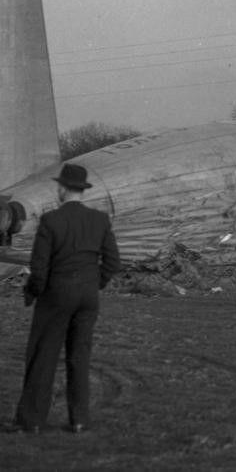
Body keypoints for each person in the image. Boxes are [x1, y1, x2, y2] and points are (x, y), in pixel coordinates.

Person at [7, 163, 121, 434]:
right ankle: (79, 419)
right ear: (82, 190)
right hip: (88, 296)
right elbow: (113, 261)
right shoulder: (100, 219)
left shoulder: (51, 221)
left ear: (62, 188)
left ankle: (32, 421)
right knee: (79, 356)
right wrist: (95, 283)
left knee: (43, 355)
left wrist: (34, 291)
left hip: (57, 294)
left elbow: (40, 266)